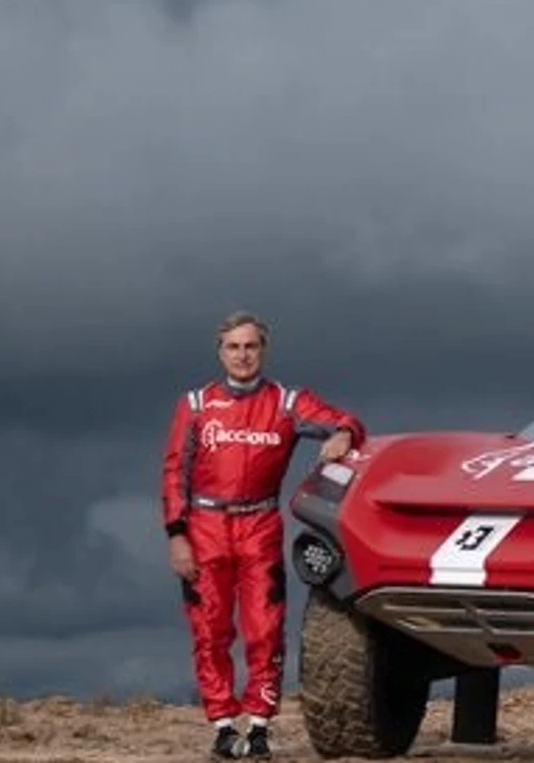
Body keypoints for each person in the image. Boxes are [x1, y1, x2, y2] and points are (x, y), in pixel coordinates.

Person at [161, 310, 367, 759]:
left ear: (263, 351)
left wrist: (342, 435)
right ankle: (221, 725)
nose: (242, 355)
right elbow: (175, 470)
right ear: (220, 352)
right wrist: (177, 534)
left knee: (264, 629)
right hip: (205, 526)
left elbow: (346, 420)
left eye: (250, 346)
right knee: (210, 629)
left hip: (260, 525)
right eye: (233, 347)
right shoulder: (196, 405)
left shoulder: (288, 402)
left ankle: (258, 725)